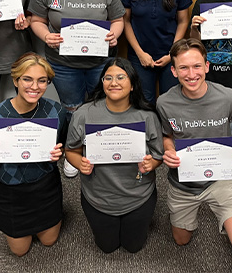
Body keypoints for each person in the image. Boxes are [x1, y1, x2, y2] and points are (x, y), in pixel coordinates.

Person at [157, 38, 232, 272]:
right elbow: (166, 135)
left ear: (207, 66)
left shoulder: (227, 97)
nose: (191, 74)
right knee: (181, 240)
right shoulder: (164, 102)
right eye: (183, 68)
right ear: (173, 71)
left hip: (220, 180)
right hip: (183, 182)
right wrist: (169, 149)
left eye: (197, 66)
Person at [29, 0, 125, 178]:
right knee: (71, 108)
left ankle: (97, 149)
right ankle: (73, 152)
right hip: (63, 63)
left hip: (100, 63)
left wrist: (114, 33)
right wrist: (45, 36)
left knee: (100, 106)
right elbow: (36, 20)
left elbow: (118, 19)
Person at [0, 52, 67, 257]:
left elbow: (66, 149)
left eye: (42, 81)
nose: (35, 87)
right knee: (20, 251)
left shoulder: (57, 112)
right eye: (27, 79)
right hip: (11, 193)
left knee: (49, 241)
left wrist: (59, 154)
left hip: (45, 187)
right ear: (15, 80)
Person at [65, 58, 163, 253]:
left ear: (133, 84)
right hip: (98, 196)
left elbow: (158, 155)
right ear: (102, 83)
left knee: (133, 246)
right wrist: (79, 163)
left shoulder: (147, 116)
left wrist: (151, 164)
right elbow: (71, 150)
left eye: (120, 77)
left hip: (138, 195)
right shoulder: (84, 114)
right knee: (107, 246)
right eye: (107, 78)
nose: (114, 82)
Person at [120, 0, 192, 104]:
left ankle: (168, 133)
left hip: (171, 56)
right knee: (145, 103)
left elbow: (183, 21)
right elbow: (125, 20)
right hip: (140, 57)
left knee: (171, 102)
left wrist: (172, 53)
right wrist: (140, 53)